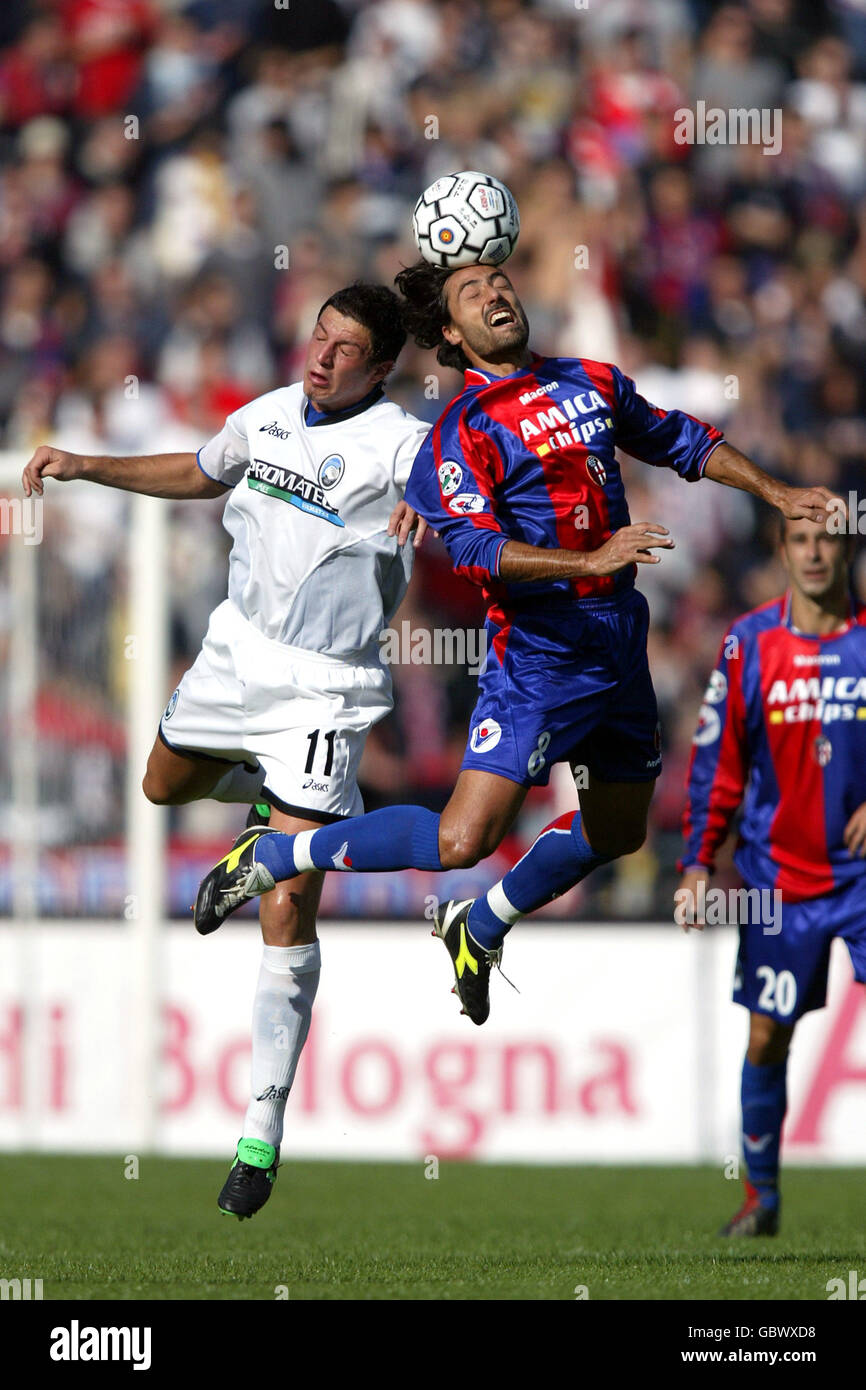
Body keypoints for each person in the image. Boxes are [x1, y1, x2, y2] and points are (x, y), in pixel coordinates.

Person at [194, 259, 839, 1030]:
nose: (496, 294)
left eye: (500, 281)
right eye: (473, 292)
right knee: (463, 838)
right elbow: (474, 549)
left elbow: (682, 441)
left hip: (617, 642)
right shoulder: (458, 434)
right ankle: (275, 856)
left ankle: (482, 924)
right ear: (449, 332)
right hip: (537, 655)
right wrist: (588, 559)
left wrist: (779, 493)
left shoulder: (590, 381)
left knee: (618, 831)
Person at [22, 282, 429, 1220]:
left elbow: (462, 497)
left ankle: (261, 1129)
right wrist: (89, 465)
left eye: (344, 350)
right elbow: (203, 472)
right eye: (317, 336)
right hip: (234, 653)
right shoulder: (269, 414)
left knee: (286, 909)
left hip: (325, 688)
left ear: (380, 369)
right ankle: (267, 814)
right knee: (161, 784)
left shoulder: (403, 444)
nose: (321, 357)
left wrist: (440, 517)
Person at [677, 514, 866, 1237]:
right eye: (800, 539)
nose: (815, 552)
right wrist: (698, 863)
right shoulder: (750, 643)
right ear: (784, 551)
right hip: (778, 883)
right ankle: (761, 1199)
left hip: (863, 880)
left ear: (848, 547)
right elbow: (717, 762)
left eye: (829, 538)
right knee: (766, 1039)